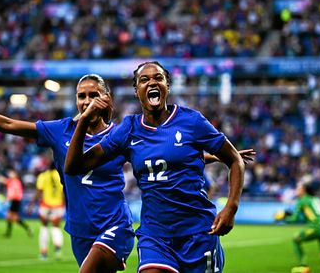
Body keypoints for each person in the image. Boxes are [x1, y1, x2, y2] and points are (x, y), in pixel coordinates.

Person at [0, 76, 135, 273]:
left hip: (114, 223)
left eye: (93, 95)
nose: (87, 101)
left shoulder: (118, 135)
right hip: (81, 229)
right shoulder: (60, 130)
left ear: (106, 98)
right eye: (82, 96)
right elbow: (9, 124)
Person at [64, 61, 247, 273]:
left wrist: (231, 208)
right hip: (155, 236)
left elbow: (235, 159)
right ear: (136, 90)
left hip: (197, 233)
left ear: (167, 86)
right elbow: (74, 166)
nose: (152, 82)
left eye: (158, 78)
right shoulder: (129, 129)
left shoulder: (192, 121)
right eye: (144, 79)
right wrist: (84, 120)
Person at [27, 165, 65, 260]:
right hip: (58, 205)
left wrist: (31, 205)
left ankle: (43, 253)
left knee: (44, 227)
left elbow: (39, 191)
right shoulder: (60, 175)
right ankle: (58, 250)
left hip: (45, 205)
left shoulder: (43, 176)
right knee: (56, 227)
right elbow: (64, 192)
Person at [0, 169, 33, 238]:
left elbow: (14, 193)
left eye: (12, 173)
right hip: (15, 201)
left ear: (15, 175)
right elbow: (4, 180)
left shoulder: (16, 182)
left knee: (13, 217)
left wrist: (7, 199)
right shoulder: (11, 181)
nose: (10, 174)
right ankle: (9, 233)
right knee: (10, 217)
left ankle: (27, 228)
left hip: (16, 201)